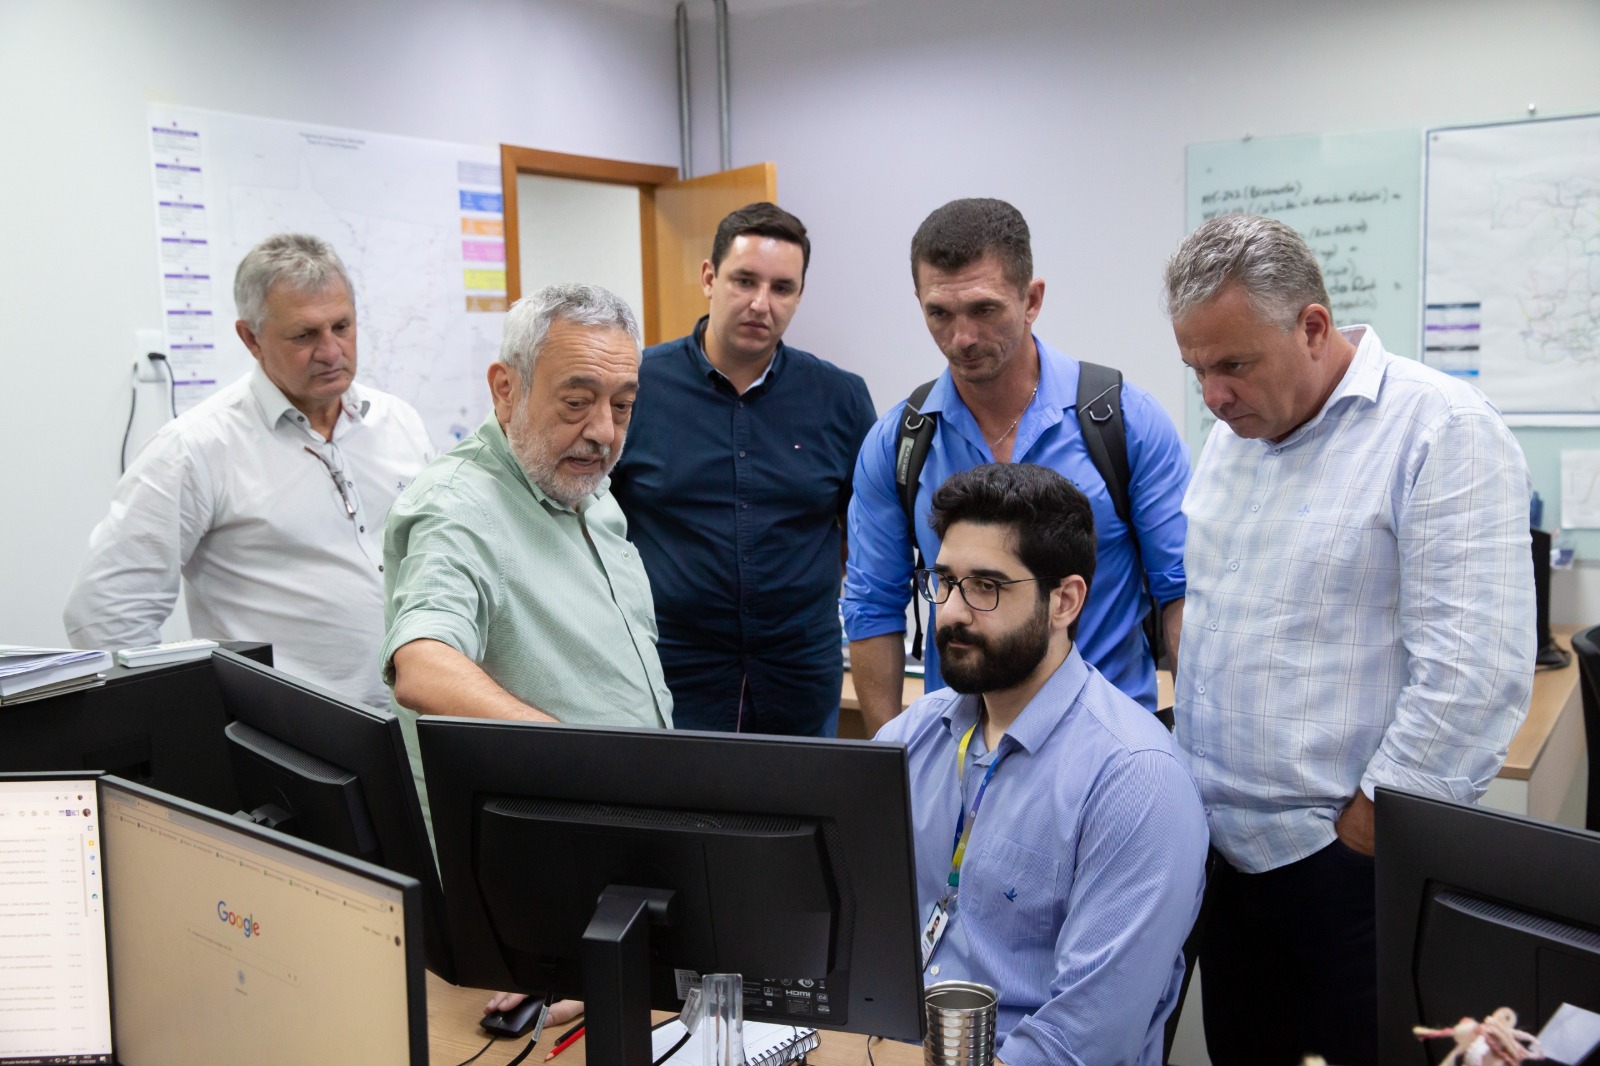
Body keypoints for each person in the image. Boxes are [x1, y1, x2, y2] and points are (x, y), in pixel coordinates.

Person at [1164, 214, 1534, 1066]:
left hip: (1343, 869)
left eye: (1233, 365)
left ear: (1314, 327)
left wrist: (1370, 830)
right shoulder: (1233, 440)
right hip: (1224, 861)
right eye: (1198, 370)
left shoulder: (1440, 430)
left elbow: (1473, 675)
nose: (1214, 395)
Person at [382, 281, 671, 1032]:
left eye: (624, 404)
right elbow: (421, 661)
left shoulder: (588, 491)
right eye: (577, 400)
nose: (604, 431)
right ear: (505, 389)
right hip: (540, 894)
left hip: (623, 869)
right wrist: (574, 754)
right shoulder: (458, 506)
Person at [876, 462, 1206, 1066]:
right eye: (944, 581)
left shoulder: (1135, 779)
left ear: (1064, 600)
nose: (951, 612)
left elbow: (1083, 1043)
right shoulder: (912, 737)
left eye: (986, 587)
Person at [844, 198, 1189, 734]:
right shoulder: (899, 445)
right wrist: (897, 770)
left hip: (1110, 750)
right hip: (962, 751)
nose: (961, 338)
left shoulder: (1125, 423)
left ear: (1032, 300)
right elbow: (871, 607)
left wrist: (1186, 750)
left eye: (984, 310)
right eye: (939, 312)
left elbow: (1181, 593)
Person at [63, 233, 434, 709]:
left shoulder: (398, 421)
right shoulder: (196, 448)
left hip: (416, 717)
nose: (331, 351)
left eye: (342, 326)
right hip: (288, 738)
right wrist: (178, 725)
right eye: (304, 335)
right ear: (251, 338)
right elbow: (106, 609)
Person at [610, 202, 876, 735]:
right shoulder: (634, 386)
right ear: (709, 278)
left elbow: (866, 534)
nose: (761, 304)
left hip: (799, 671)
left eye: (782, 288)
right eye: (744, 281)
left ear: (799, 294)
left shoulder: (840, 398)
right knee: (676, 815)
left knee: (798, 813)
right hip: (669, 669)